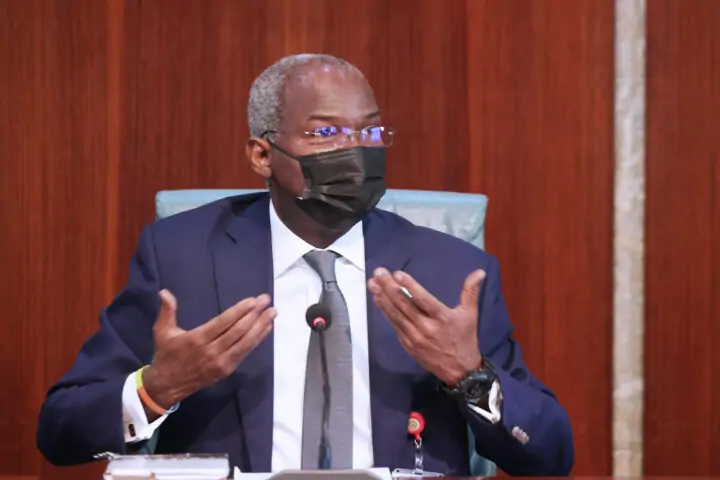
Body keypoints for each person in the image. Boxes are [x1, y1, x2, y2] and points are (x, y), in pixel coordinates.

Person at [37, 54, 574, 476]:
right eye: (326, 133)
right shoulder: (182, 257)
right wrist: (156, 389)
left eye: (369, 133)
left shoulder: (451, 271)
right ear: (262, 155)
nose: (355, 151)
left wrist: (471, 376)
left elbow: (550, 454)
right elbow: (61, 432)